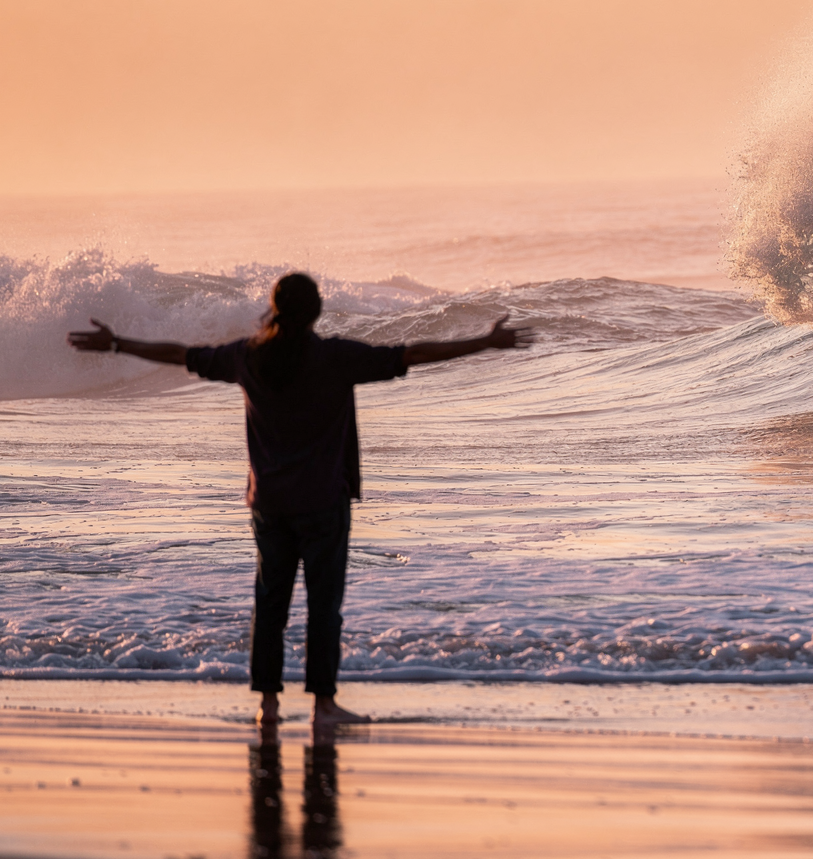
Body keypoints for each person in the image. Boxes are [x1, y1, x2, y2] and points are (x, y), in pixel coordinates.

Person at [67, 272, 530, 729]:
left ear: (276, 308)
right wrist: (484, 343)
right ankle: (322, 707)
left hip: (269, 503)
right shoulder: (335, 356)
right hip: (324, 502)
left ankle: (267, 706)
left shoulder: (248, 357)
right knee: (323, 607)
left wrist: (117, 344)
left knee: (270, 605)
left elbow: (182, 356)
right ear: (316, 312)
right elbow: (412, 354)